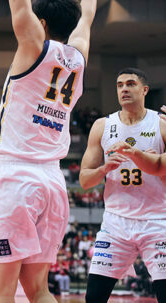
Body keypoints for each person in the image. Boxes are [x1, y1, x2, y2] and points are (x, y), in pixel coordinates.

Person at [0, 0, 115, 302]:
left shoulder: (31, 45)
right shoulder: (78, 56)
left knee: (2, 294)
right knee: (38, 290)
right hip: (54, 184)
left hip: (15, 179)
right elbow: (87, 18)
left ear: (40, 23)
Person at [80, 68, 166, 302]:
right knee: (94, 297)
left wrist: (152, 161)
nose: (124, 89)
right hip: (116, 222)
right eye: (119, 85)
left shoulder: (160, 124)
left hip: (157, 220)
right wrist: (103, 169)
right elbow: (85, 180)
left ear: (145, 90)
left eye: (130, 84)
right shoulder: (102, 125)